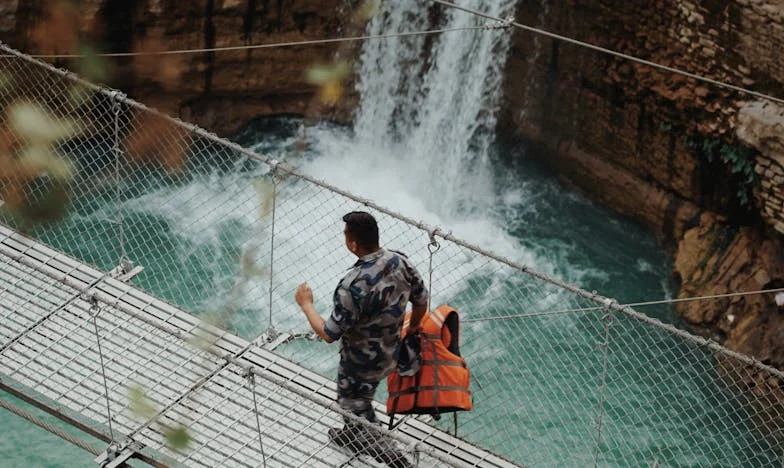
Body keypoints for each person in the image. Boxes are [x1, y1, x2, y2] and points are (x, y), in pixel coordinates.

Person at [295, 211, 428, 468]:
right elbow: (421, 300)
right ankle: (353, 435)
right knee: (363, 398)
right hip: (391, 352)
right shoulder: (400, 261)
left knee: (351, 404)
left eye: (346, 235)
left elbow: (329, 334)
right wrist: (413, 328)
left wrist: (306, 304)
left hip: (359, 362)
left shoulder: (352, 285)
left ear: (353, 244)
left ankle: (397, 460)